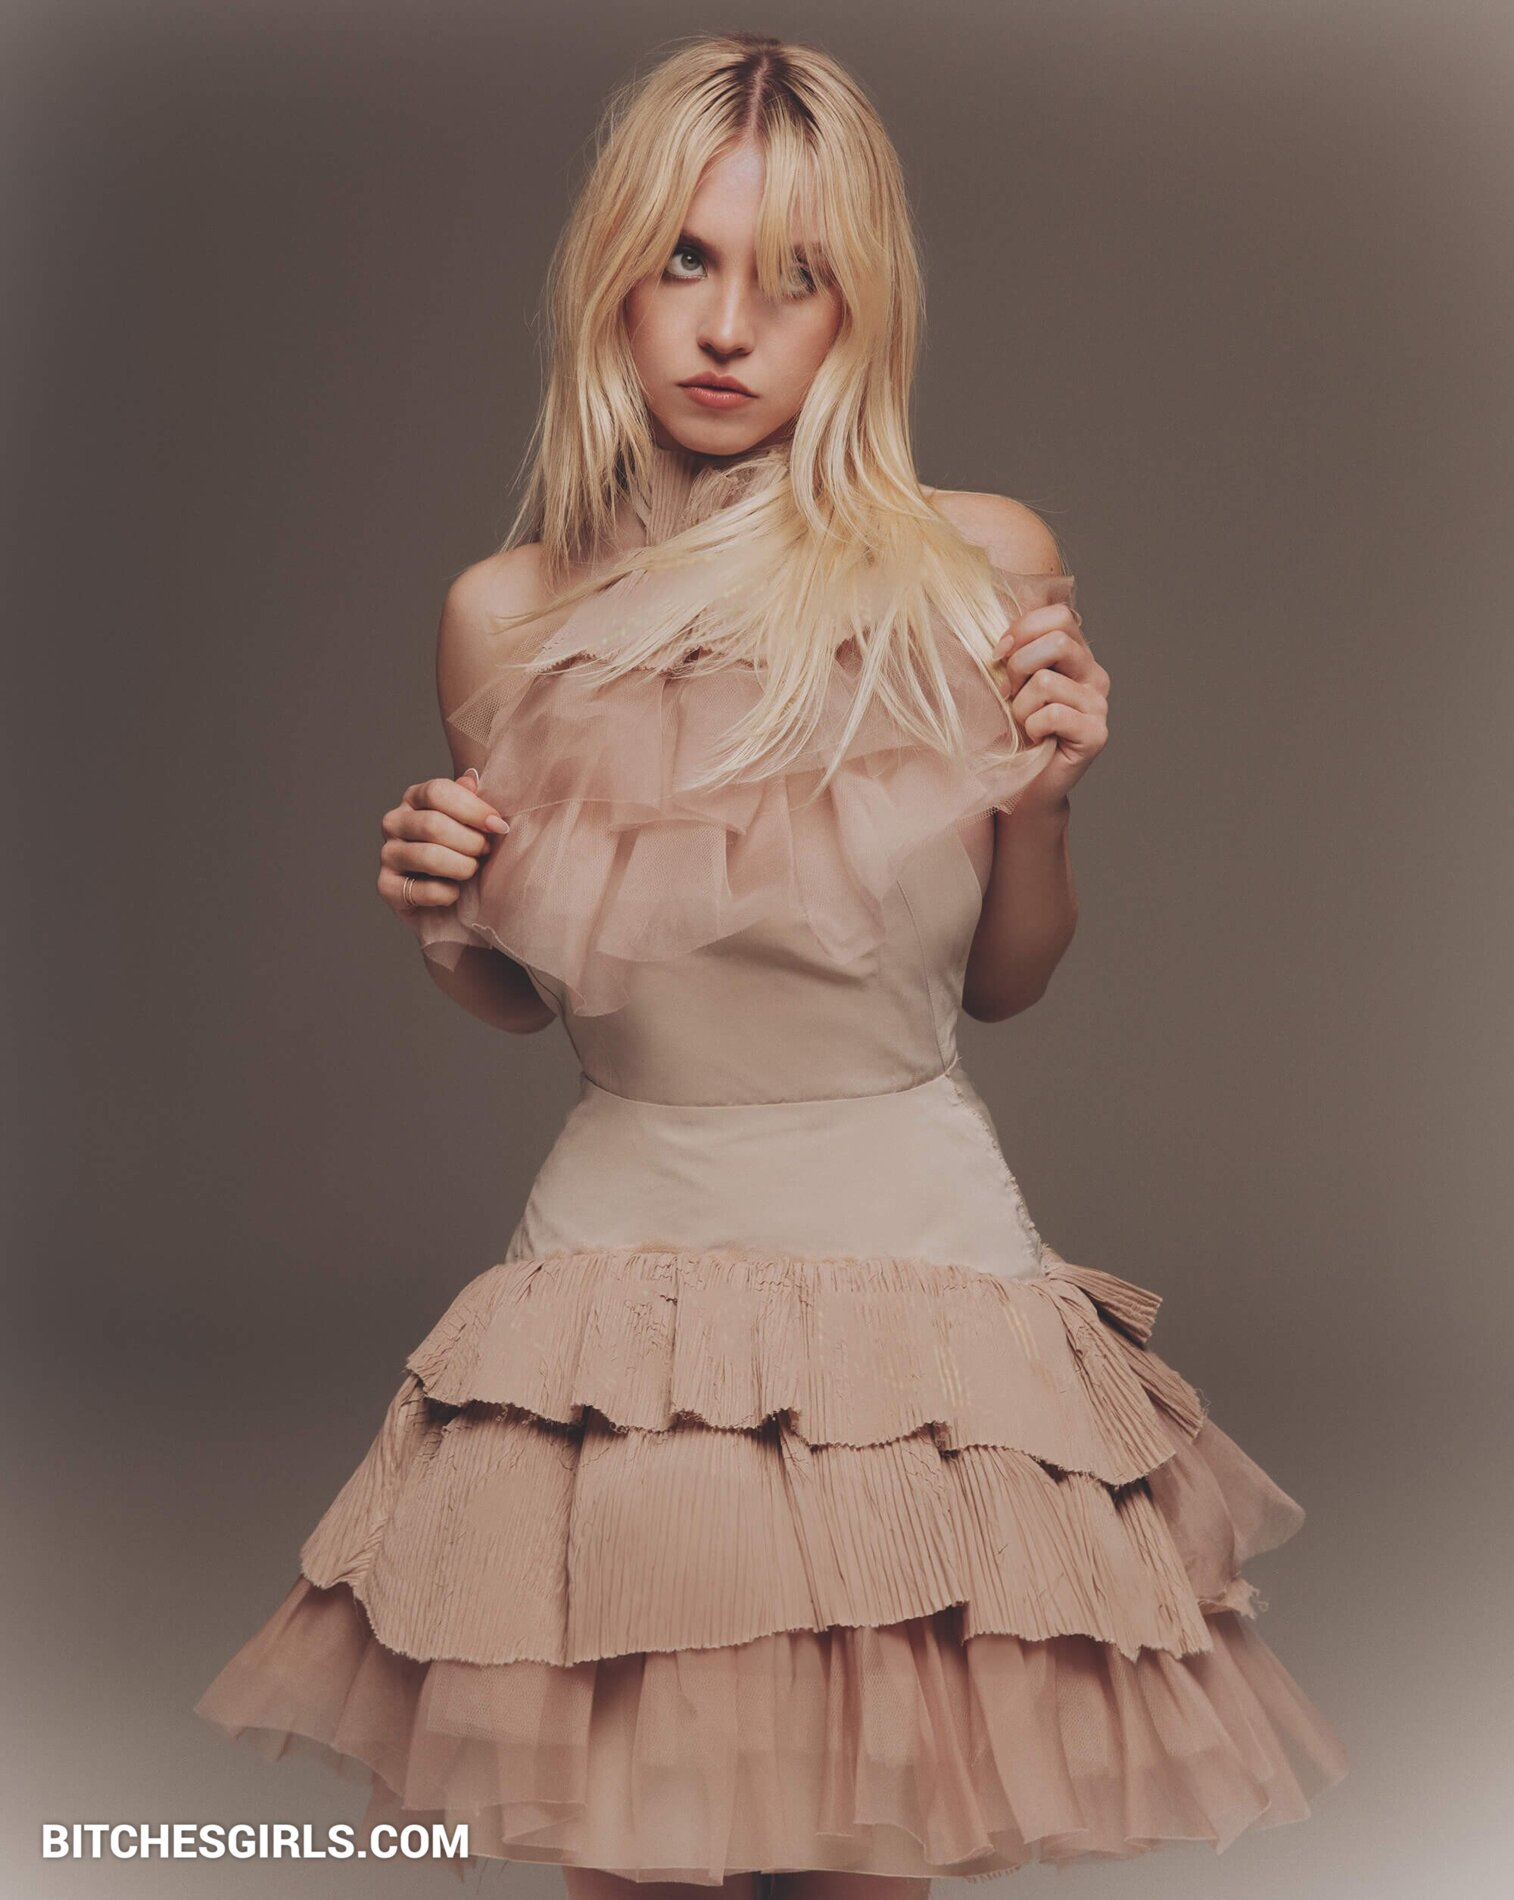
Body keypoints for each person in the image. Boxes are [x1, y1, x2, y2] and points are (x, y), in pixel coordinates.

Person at [195, 32, 1348, 1897]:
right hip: (625, 1291)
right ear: (612, 277)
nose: (728, 327)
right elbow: (544, 1001)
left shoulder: (980, 563)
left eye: (794, 276)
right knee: (632, 1847)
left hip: (917, 1274)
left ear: (858, 311)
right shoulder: (508, 614)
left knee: (872, 1852)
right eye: (686, 260)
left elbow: (1002, 985)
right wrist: (444, 921)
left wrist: (1047, 802)